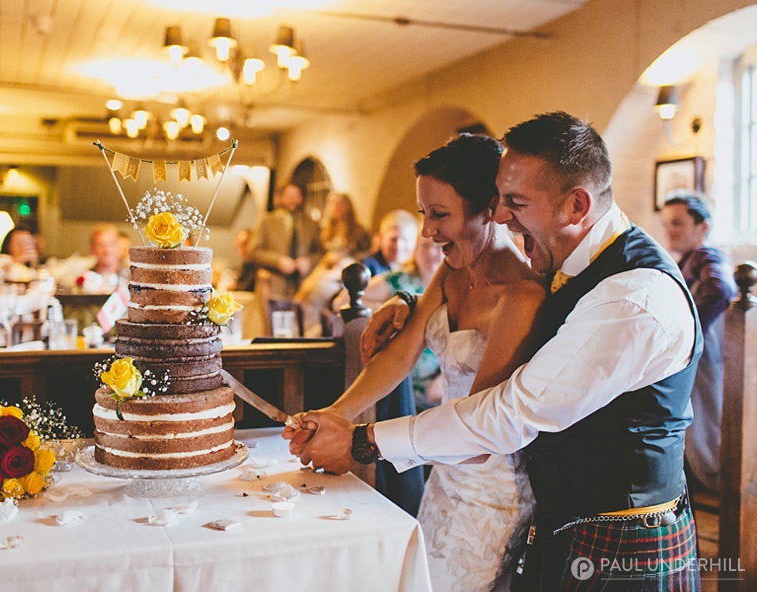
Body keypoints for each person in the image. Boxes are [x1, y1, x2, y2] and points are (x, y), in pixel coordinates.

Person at [289, 112, 702, 589]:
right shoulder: (565, 263)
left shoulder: (632, 299)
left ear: (576, 205)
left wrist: (365, 441)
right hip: (558, 522)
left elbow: (508, 413)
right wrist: (409, 301)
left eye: (515, 202)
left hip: (623, 539)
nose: (500, 216)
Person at [299, 134, 545, 589]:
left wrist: (359, 442)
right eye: (423, 214)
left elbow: (479, 431)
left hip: (490, 490)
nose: (428, 231)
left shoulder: (521, 296)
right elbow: (400, 355)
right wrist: (335, 413)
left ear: (489, 208)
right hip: (443, 479)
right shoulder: (452, 272)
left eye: (440, 215)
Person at [661, 192, 736, 493]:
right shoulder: (687, 260)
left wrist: (689, 333)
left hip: (704, 357)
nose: (669, 230)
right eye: (666, 223)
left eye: (677, 223)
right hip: (700, 357)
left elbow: (721, 289)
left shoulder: (707, 256)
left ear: (702, 227)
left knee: (705, 427)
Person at [332, 231, 447, 413]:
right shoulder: (399, 280)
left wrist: (442, 381)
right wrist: (387, 309)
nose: (431, 252)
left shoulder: (452, 286)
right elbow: (341, 302)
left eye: (437, 246)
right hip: (397, 379)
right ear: (415, 250)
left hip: (438, 386)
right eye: (424, 245)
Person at [248, 183, 323, 300]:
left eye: (296, 195)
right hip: (273, 284)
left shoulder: (311, 224)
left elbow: (321, 252)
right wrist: (277, 261)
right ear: (281, 197)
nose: (292, 199)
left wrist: (309, 261)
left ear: (301, 198)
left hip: (303, 285)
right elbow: (253, 251)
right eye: (289, 195)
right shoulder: (267, 221)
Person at [361, 209, 419, 276]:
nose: (398, 246)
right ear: (381, 237)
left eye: (405, 240)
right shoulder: (365, 266)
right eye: (393, 239)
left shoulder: (414, 271)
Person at [320, 192, 371, 260]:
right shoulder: (324, 231)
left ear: (348, 206)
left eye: (341, 204)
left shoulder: (359, 231)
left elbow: (366, 253)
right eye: (333, 203)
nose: (337, 207)